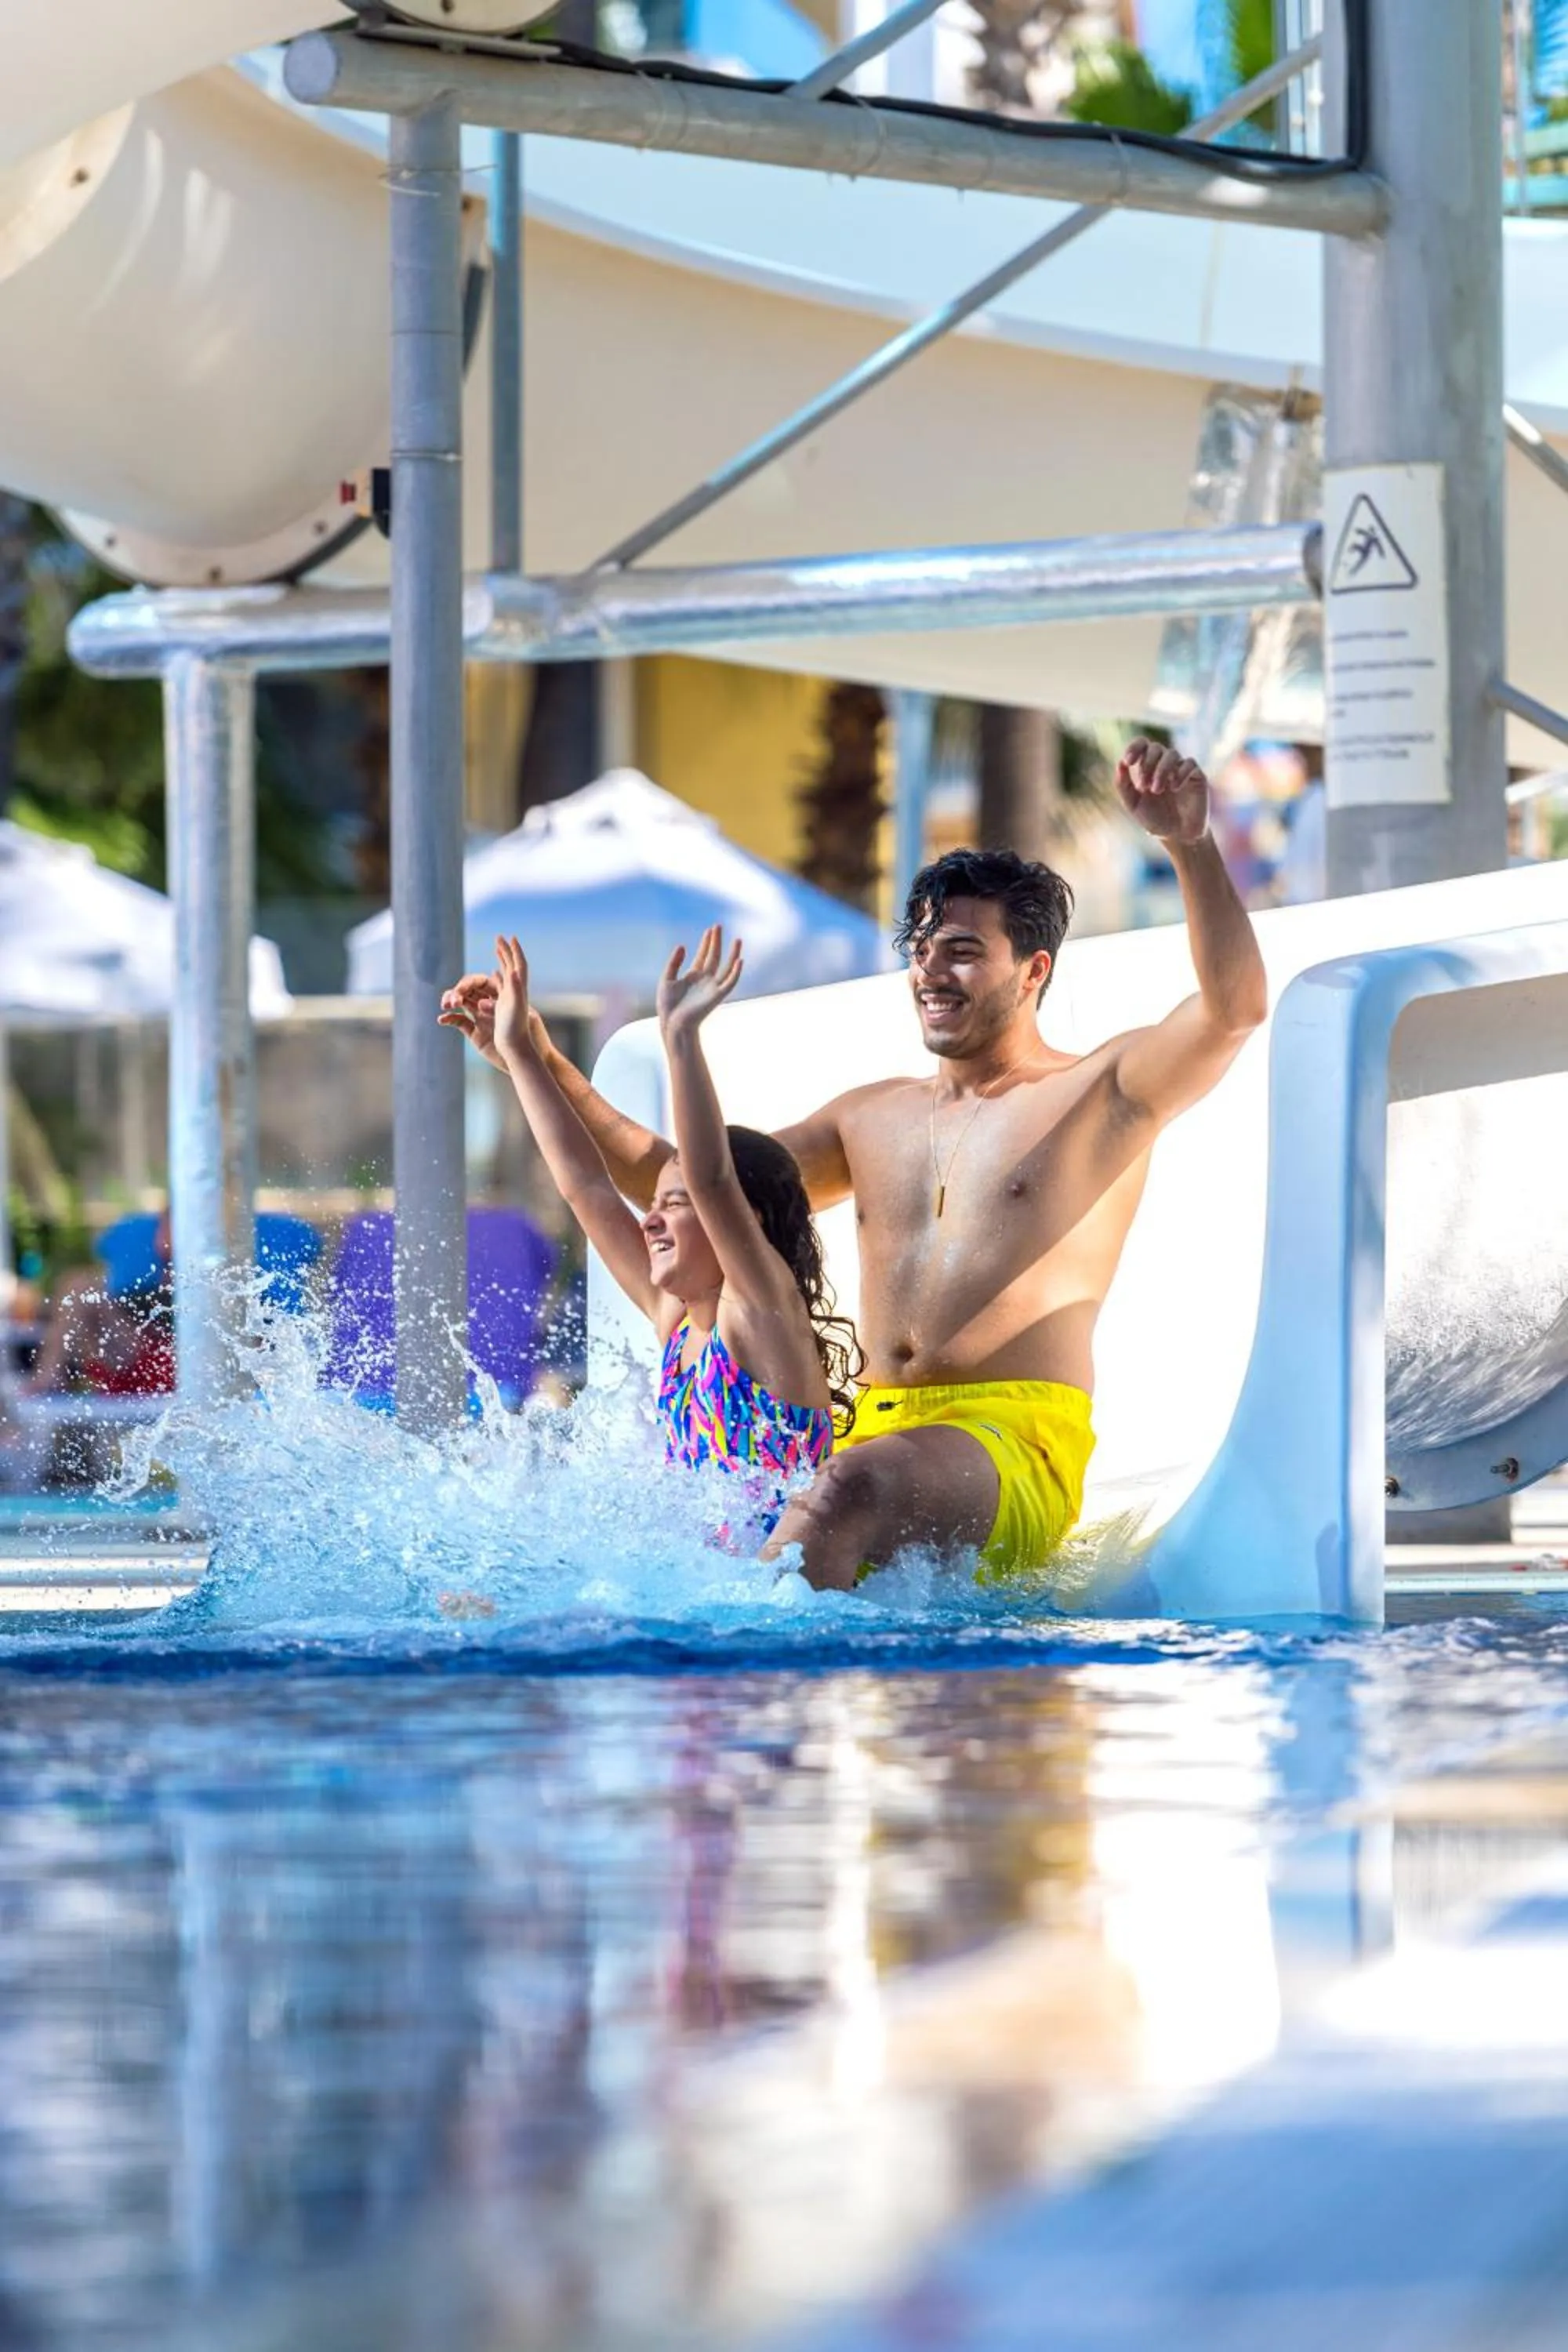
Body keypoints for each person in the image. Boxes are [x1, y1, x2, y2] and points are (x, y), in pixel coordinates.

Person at [441, 741, 1266, 1592]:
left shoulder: (1097, 1093)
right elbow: (689, 1180)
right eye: (919, 948)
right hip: (872, 1429)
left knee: (847, 1487)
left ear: (1033, 969)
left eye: (959, 950)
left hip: (1008, 1441)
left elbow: (1232, 1011)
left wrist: (1188, 844)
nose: (928, 972)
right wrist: (537, 1060)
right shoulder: (871, 1116)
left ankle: (738, 1671)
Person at [477, 927, 854, 1541]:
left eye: (673, 1204)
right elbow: (587, 1188)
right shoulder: (678, 1325)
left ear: (744, 1221)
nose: (649, 1219)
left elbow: (710, 1178)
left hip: (774, 1600)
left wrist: (681, 1039)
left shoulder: (761, 1313)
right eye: (655, 1203)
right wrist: (519, 1053)